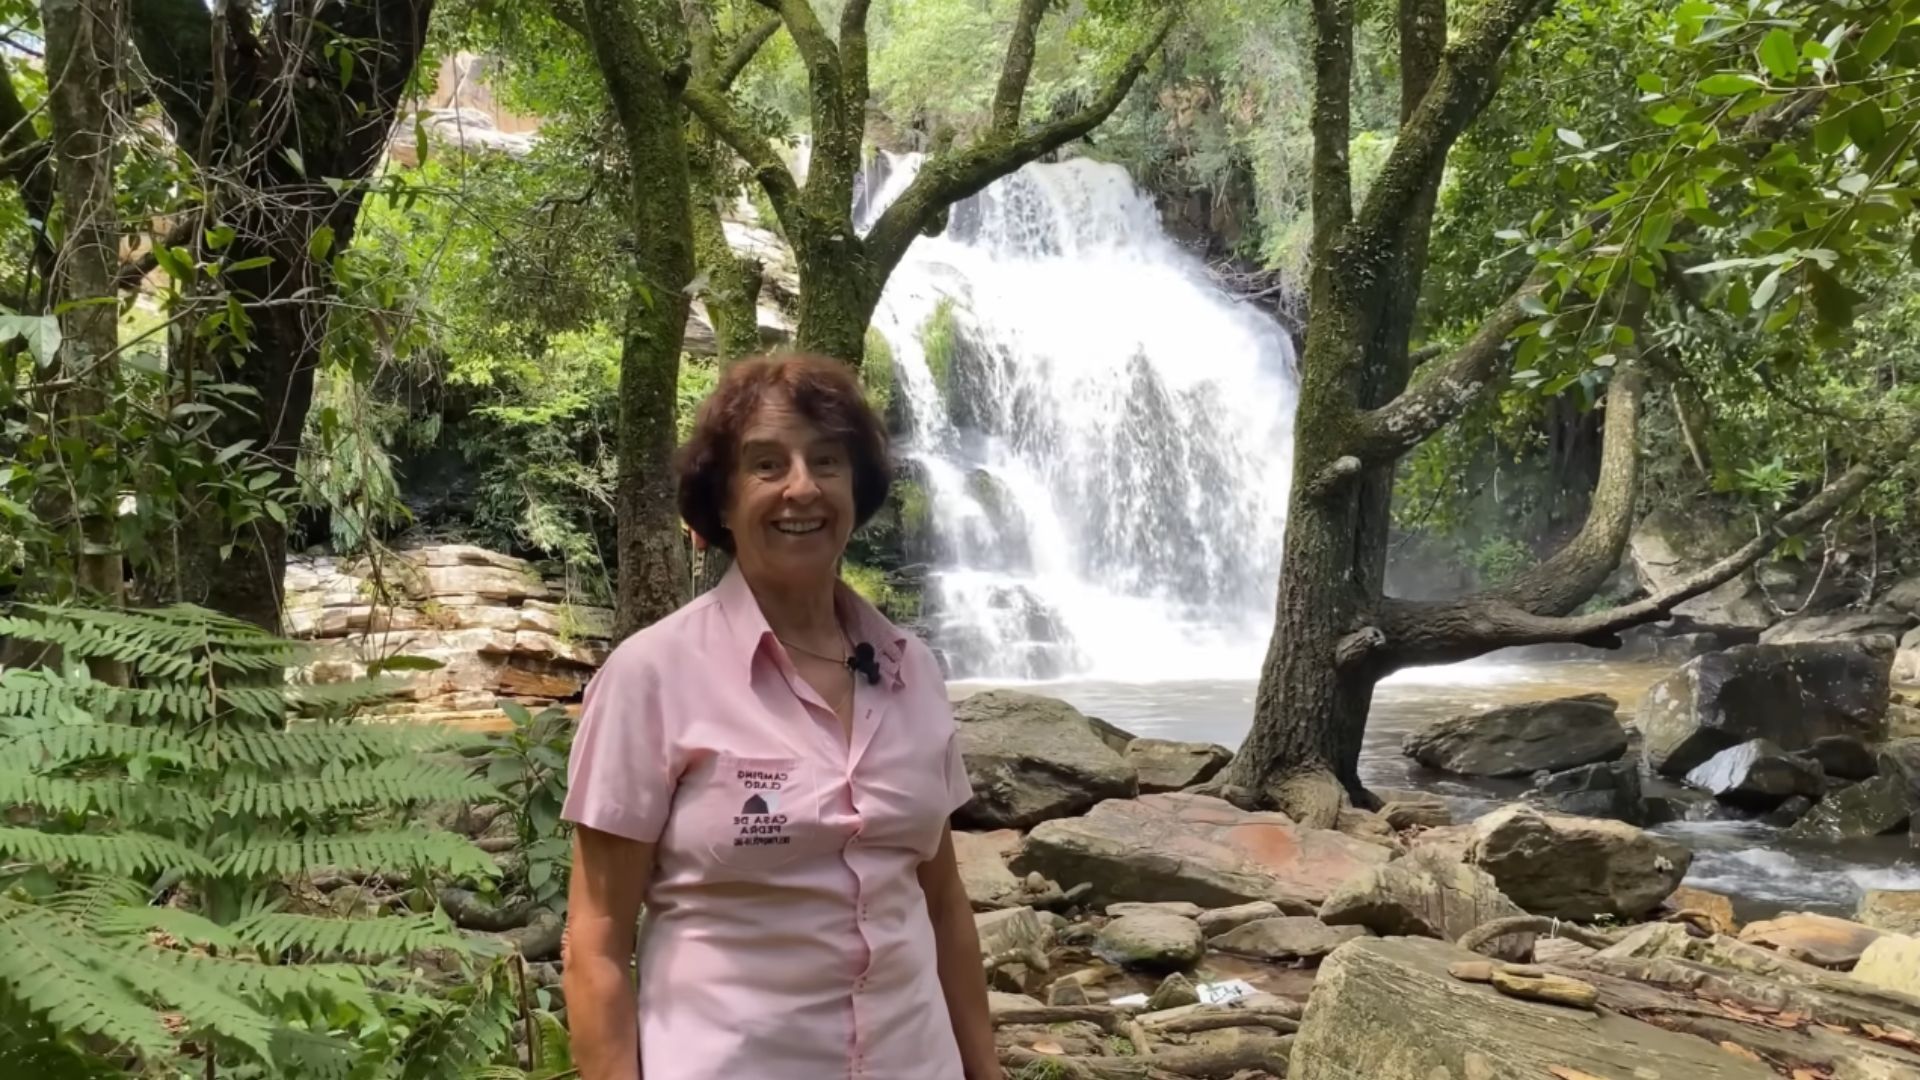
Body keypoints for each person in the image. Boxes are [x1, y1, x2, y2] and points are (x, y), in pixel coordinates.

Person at [560, 353, 1001, 1080]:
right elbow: (598, 938)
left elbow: (944, 902)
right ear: (722, 503)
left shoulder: (911, 669)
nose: (803, 487)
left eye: (827, 461)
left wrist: (985, 1069)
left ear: (855, 489)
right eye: (767, 465)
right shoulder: (652, 676)